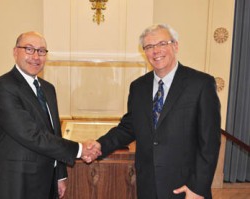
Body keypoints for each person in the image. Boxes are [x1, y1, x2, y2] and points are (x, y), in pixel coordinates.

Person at [92, 24, 221, 199]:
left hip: (186, 188)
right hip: (148, 185)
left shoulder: (201, 84)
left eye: (162, 43)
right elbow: (129, 127)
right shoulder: (138, 87)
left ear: (175, 46)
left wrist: (198, 188)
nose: (156, 51)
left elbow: (210, 143)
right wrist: (100, 145)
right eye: (149, 47)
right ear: (144, 52)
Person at [0, 31, 100, 199]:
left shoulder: (47, 88)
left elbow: (54, 132)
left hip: (48, 178)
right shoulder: (1, 88)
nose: (36, 56)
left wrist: (60, 175)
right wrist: (80, 149)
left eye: (41, 51)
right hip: (18, 181)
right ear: (15, 52)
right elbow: (31, 135)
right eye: (29, 49)